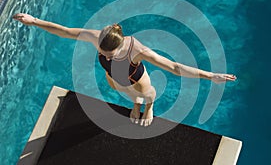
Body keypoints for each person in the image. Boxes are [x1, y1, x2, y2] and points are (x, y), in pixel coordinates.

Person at [13, 13, 237, 127]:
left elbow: (175, 67)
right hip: (113, 77)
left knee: (147, 94)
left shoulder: (137, 50)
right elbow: (64, 31)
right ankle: (135, 104)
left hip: (136, 79)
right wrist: (34, 21)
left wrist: (211, 76)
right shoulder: (95, 36)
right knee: (123, 91)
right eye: (103, 53)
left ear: (121, 45)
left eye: (110, 54)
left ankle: (148, 107)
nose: (106, 56)